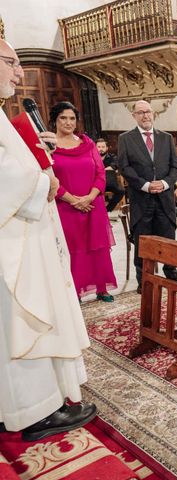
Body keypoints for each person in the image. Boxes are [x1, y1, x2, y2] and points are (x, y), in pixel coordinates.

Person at [0, 38, 96, 442]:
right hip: (16, 242)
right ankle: (35, 410)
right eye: (12, 62)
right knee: (26, 321)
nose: (20, 73)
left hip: (22, 235)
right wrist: (45, 181)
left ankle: (13, 406)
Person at [50, 102, 117, 302]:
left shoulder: (87, 143)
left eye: (72, 118)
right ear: (55, 120)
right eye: (63, 118)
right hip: (65, 207)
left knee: (98, 248)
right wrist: (73, 201)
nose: (68, 122)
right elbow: (49, 177)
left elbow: (100, 173)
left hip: (92, 205)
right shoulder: (49, 145)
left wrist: (89, 197)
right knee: (73, 250)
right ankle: (75, 290)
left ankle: (101, 288)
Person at [117, 100, 177, 294]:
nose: (145, 116)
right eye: (141, 112)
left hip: (164, 199)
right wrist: (145, 185)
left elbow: (175, 167)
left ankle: (172, 276)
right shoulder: (126, 139)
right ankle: (144, 281)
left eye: (148, 112)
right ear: (134, 116)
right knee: (143, 243)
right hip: (141, 200)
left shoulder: (166, 138)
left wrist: (165, 183)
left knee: (168, 240)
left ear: (153, 114)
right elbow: (124, 167)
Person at [96, 138, 125, 212]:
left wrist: (100, 170)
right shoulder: (92, 157)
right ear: (95, 148)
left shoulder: (112, 157)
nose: (101, 149)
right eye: (99, 147)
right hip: (97, 183)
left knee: (121, 191)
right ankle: (97, 211)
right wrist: (107, 169)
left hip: (110, 182)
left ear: (107, 148)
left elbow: (115, 165)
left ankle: (108, 209)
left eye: (103, 147)